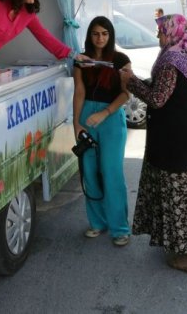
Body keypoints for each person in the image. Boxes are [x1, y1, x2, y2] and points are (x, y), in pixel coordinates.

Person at [119, 14, 187, 275]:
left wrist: (129, 81)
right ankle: (186, 246)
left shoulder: (170, 61)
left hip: (175, 142)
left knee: (177, 197)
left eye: (161, 32)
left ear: (173, 33)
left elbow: (157, 98)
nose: (158, 37)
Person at [73, 17, 131, 246]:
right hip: (86, 116)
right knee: (89, 170)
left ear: (110, 35)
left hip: (111, 119)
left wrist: (105, 112)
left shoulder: (121, 60)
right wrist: (76, 124)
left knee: (111, 172)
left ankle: (120, 228)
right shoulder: (81, 60)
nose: (100, 38)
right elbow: (79, 90)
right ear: (90, 35)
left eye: (105, 34)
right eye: (96, 34)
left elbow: (126, 94)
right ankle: (97, 223)